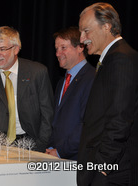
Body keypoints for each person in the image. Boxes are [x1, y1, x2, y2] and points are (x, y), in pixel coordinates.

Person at [77, 2, 138, 186]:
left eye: (86, 31)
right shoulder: (113, 57)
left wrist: (103, 168)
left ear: (107, 26)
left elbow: (120, 119)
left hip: (111, 171)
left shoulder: (120, 59)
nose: (82, 38)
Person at [45, 27, 95, 160]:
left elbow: (87, 125)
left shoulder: (93, 78)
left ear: (80, 47)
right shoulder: (61, 82)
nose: (57, 53)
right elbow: (56, 122)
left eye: (63, 47)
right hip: (58, 157)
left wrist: (60, 151)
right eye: (56, 49)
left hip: (79, 161)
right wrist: (51, 148)